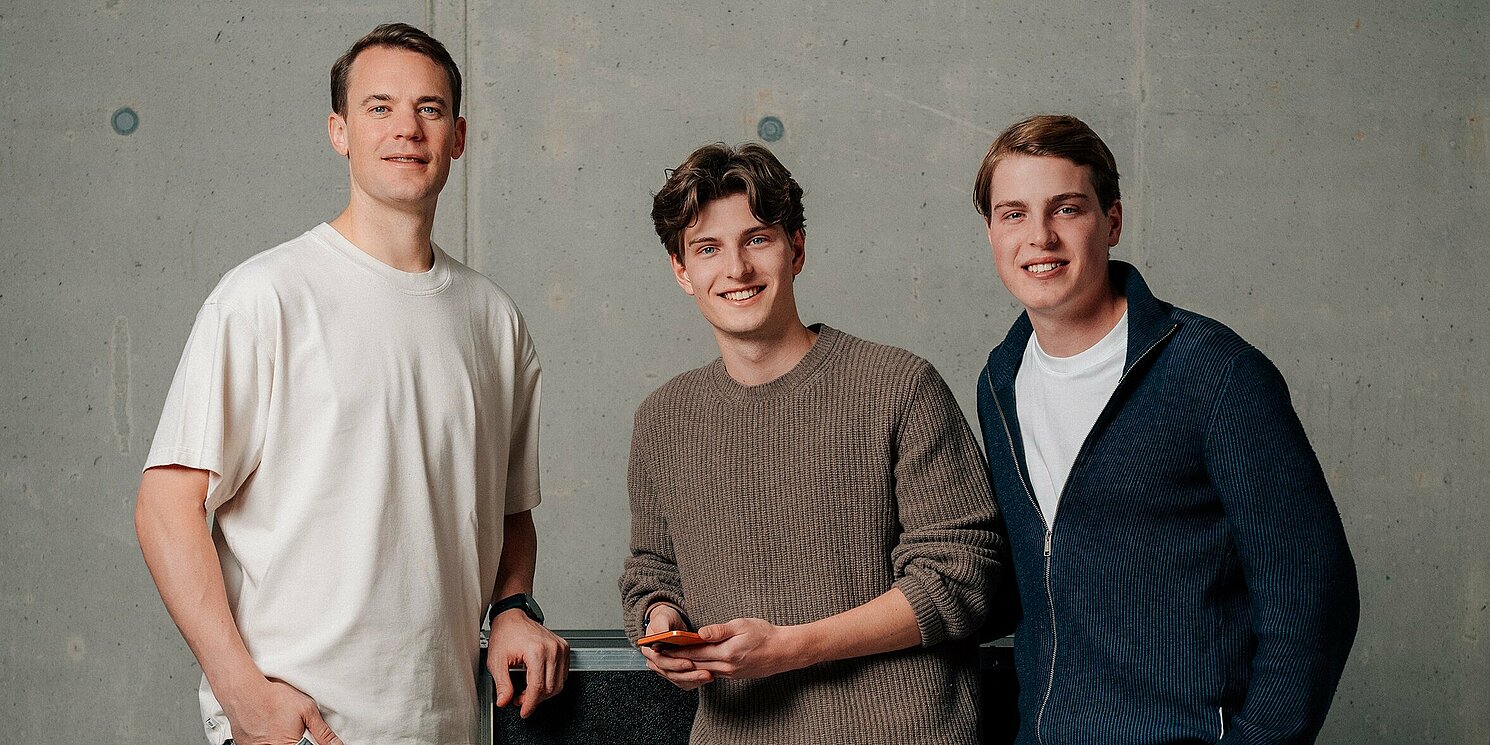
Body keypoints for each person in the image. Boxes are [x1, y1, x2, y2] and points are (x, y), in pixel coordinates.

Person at [134, 23, 567, 745]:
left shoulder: (495, 320)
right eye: (379, 107)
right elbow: (165, 507)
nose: (407, 128)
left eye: (429, 109)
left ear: (458, 136)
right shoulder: (265, 296)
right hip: (297, 727)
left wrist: (514, 606)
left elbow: (508, 510)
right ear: (339, 131)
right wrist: (241, 694)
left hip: (446, 723)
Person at [971, 114, 1359, 744]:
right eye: (1013, 214)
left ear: (1112, 221)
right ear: (991, 231)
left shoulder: (1214, 372)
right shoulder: (999, 380)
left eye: (1066, 208)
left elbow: (1314, 594)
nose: (1039, 237)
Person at [618, 142, 1004, 744]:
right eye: (708, 248)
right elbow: (653, 568)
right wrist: (659, 621)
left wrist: (790, 648)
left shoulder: (899, 385)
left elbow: (963, 576)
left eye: (757, 239)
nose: (736, 269)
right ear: (681, 270)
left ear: (796, 249)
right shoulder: (663, 420)